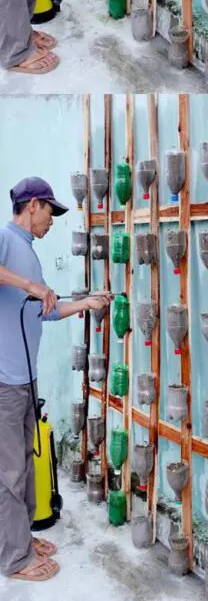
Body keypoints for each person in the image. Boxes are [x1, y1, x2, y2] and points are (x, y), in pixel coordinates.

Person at [0, 177, 111, 583]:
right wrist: (29, 283)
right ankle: (14, 560)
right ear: (32, 206)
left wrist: (85, 302)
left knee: (25, 467)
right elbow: (27, 290)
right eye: (50, 211)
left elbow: (44, 310)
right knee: (9, 473)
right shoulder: (6, 239)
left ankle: (21, 540)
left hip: (24, 378)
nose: (52, 221)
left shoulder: (28, 252)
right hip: (4, 383)